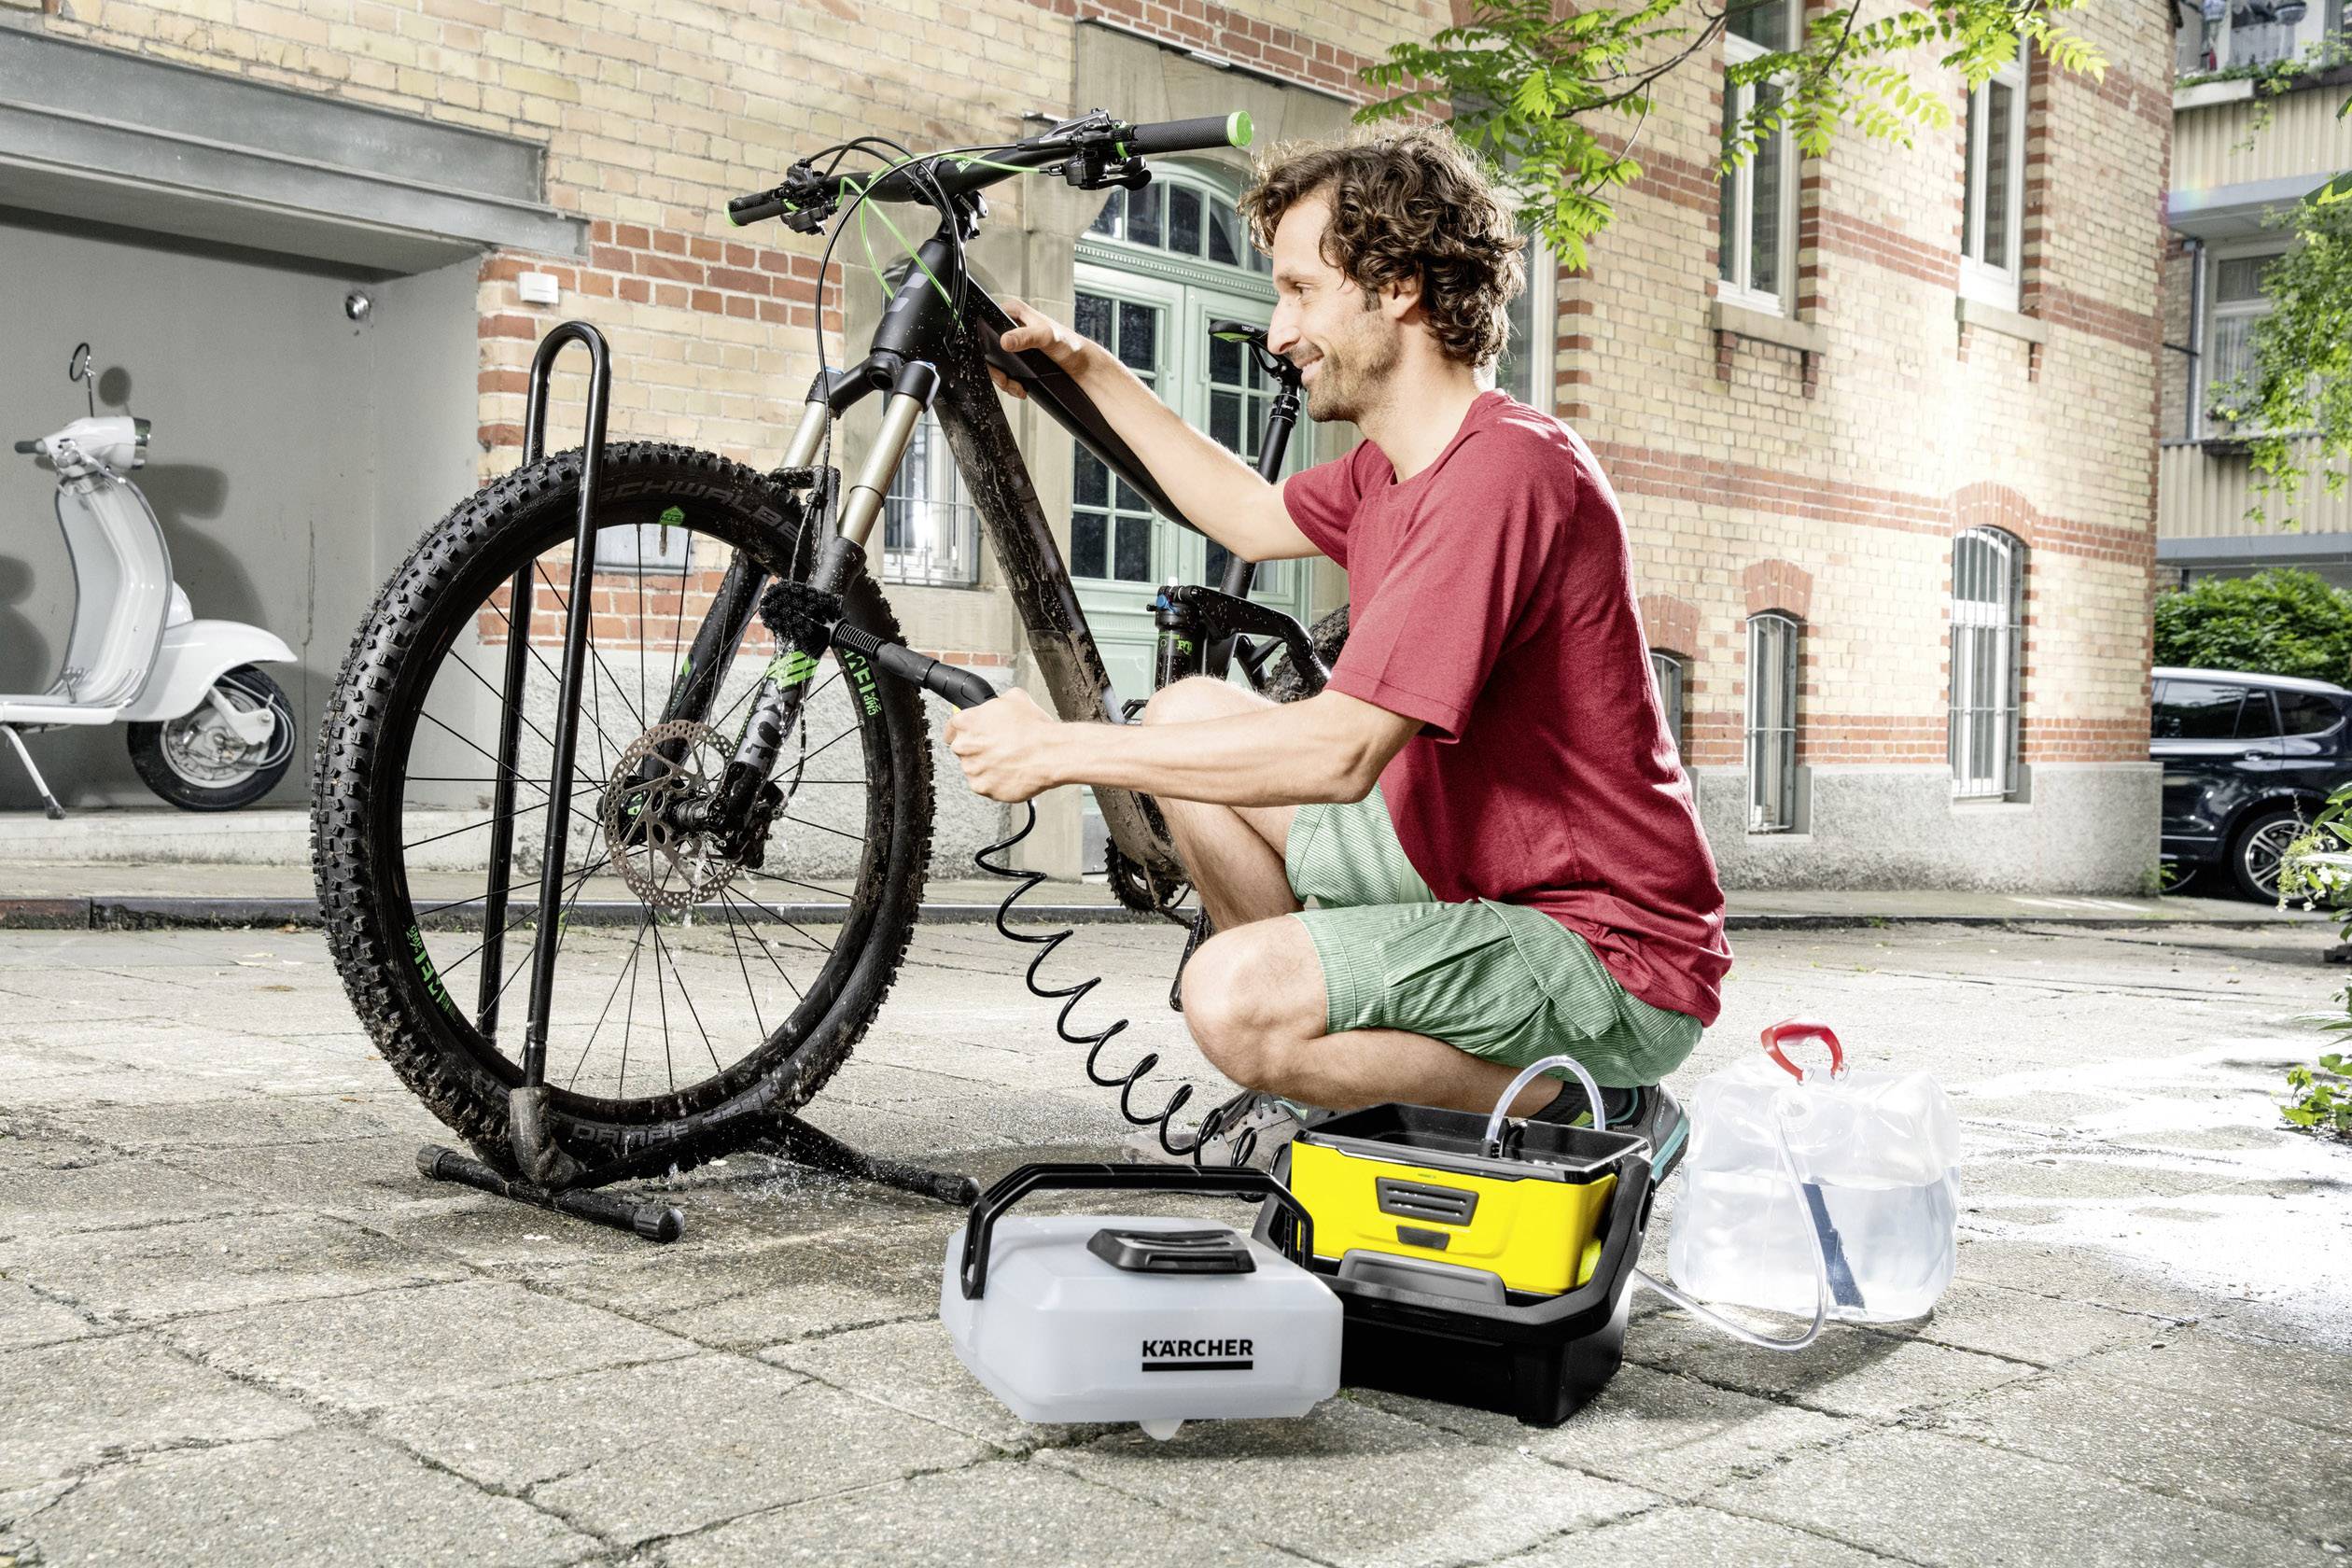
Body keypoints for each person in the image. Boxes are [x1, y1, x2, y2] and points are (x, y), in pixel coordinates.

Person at [944, 128, 1729, 1172]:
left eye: (1302, 291)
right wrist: (1092, 371)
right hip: (1462, 871)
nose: (1280, 332)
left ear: (1396, 285)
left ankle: (1594, 1103)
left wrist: (1066, 750)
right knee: (1185, 712)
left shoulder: (1507, 475)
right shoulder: (1390, 471)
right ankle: (1326, 1061)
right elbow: (1245, 511)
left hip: (1603, 947)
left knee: (1227, 999)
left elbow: (1342, 751)